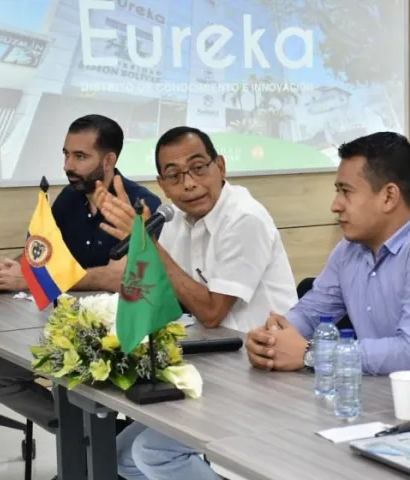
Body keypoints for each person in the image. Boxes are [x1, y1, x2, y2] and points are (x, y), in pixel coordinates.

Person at [245, 131, 410, 403]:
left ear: (389, 197)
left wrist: (312, 354)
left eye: (346, 192)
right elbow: (311, 314)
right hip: (389, 400)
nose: (336, 205)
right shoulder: (350, 250)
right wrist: (272, 340)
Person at [99, 126, 298, 480]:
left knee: (153, 453)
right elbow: (160, 286)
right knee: (118, 455)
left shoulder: (244, 218)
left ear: (220, 166)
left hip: (258, 374)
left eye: (198, 168)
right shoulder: (177, 218)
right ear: (163, 185)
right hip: (209, 366)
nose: (188, 184)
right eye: (174, 176)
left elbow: (211, 311)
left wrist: (149, 245)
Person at [0, 114, 162, 435]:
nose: (67, 165)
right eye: (66, 154)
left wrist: (35, 279)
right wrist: (14, 269)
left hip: (123, 335)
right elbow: (41, 252)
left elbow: (122, 277)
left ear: (109, 159)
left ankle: (103, 450)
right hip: (67, 326)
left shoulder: (140, 204)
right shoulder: (69, 199)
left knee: (73, 385)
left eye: (80, 156)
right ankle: (91, 441)